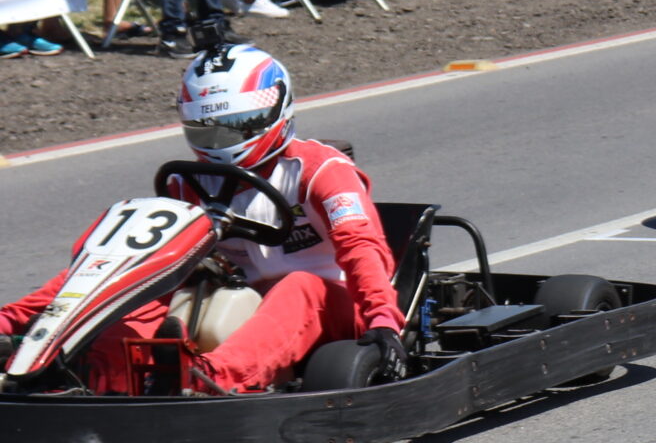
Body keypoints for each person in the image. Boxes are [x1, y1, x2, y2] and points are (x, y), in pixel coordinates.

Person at [0, 45, 405, 394]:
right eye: (206, 130)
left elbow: (361, 248)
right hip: (241, 301)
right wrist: (12, 319)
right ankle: (93, 370)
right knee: (144, 281)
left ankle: (212, 378)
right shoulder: (188, 181)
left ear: (272, 109)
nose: (219, 142)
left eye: (231, 128)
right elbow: (126, 265)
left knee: (299, 287)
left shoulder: (320, 170)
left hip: (337, 304)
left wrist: (383, 320)